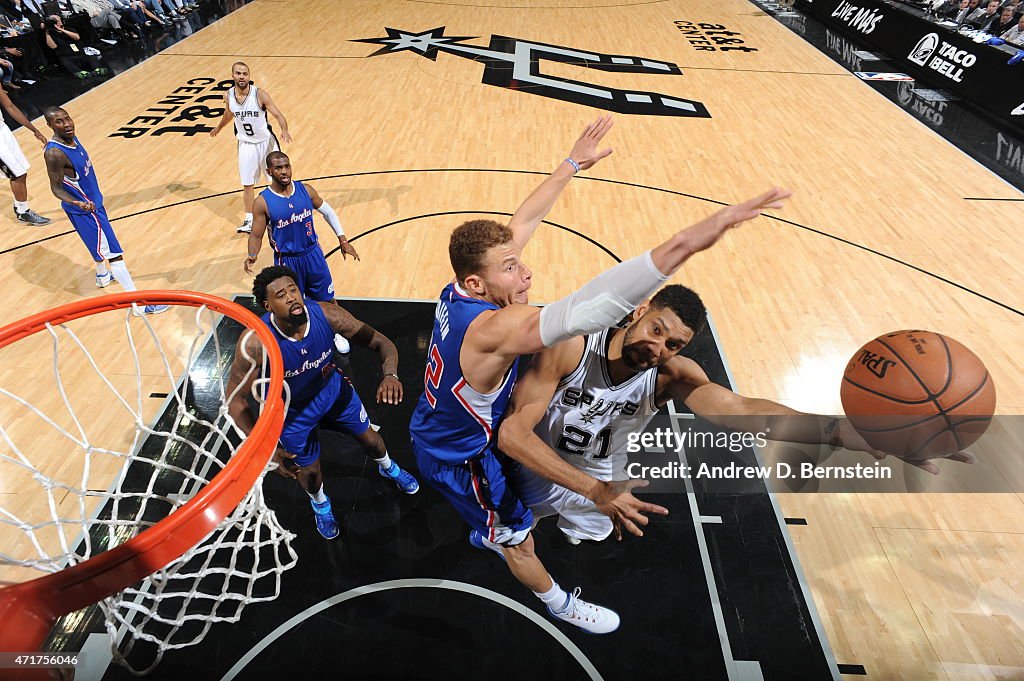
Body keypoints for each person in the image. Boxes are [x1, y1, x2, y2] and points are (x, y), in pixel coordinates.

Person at [409, 114, 791, 635]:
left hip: (437, 420)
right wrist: (689, 241)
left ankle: (496, 529)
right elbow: (590, 307)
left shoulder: (461, 290)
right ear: (479, 283)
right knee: (517, 538)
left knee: (530, 498)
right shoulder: (499, 328)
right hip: (462, 454)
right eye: (511, 268)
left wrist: (570, 165)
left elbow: (521, 222)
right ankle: (560, 603)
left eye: (518, 262)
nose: (525, 273)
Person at [498, 285, 977, 545]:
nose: (657, 346)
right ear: (641, 310)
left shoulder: (672, 375)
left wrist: (844, 431)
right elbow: (514, 435)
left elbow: (746, 412)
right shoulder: (572, 347)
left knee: (593, 530)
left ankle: (565, 522)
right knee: (517, 523)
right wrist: (594, 490)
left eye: (673, 343)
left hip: (604, 470)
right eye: (656, 328)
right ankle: (516, 532)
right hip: (540, 457)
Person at [226, 265, 419, 540]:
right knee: (311, 472)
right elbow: (235, 400)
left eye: (294, 290)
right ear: (267, 305)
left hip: (334, 394)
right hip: (292, 414)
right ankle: (320, 503)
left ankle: (389, 468)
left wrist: (390, 374)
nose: (292, 297)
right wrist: (264, 448)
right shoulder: (256, 343)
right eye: (282, 295)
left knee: (372, 441)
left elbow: (381, 342)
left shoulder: (327, 315)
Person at [43, 106, 166, 311]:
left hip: (94, 205)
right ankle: (138, 305)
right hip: (86, 211)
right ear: (50, 125)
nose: (66, 124)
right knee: (114, 254)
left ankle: (102, 276)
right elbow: (55, 187)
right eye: (59, 122)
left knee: (99, 246)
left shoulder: (72, 137)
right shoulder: (55, 153)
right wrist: (76, 202)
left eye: (68, 118)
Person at [243, 150, 360, 353]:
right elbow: (256, 234)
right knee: (292, 304)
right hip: (287, 261)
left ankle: (336, 332)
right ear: (269, 171)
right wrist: (252, 255)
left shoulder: (306, 190)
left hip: (313, 254)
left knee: (327, 298)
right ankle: (298, 339)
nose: (284, 171)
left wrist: (343, 239)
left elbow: (328, 211)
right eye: (279, 168)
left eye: (287, 166)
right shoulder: (263, 201)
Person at [210, 62, 292, 234]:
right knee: (247, 184)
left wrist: (284, 129)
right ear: (233, 75)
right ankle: (249, 219)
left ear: (249, 76)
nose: (242, 76)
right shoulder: (228, 96)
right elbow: (229, 114)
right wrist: (218, 127)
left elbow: (278, 115)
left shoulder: (259, 95)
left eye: (245, 74)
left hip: (266, 143)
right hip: (246, 144)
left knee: (276, 180)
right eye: (238, 73)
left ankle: (285, 212)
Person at [0, 87, 49, 224]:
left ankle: (20, 207)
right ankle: (23, 211)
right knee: (17, 174)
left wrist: (34, 130)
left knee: (21, 172)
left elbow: (10, 106)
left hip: (3, 130)